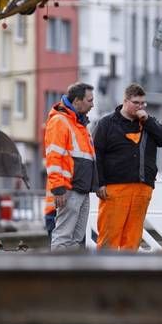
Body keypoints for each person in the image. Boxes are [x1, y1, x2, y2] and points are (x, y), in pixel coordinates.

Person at [93, 83, 162, 250]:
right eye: (136, 103)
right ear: (125, 101)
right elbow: (96, 155)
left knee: (133, 236)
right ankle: (106, 271)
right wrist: (99, 183)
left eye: (143, 103)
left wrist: (147, 120)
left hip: (142, 188)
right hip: (115, 189)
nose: (141, 106)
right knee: (110, 235)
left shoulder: (149, 124)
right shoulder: (106, 124)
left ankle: (127, 272)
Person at [43, 82, 97, 250]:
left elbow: (88, 158)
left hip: (80, 190)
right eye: (89, 100)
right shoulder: (60, 121)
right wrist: (58, 189)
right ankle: (58, 275)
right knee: (63, 238)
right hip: (68, 191)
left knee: (75, 241)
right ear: (77, 101)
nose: (92, 104)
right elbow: (54, 158)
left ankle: (70, 274)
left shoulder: (80, 125)